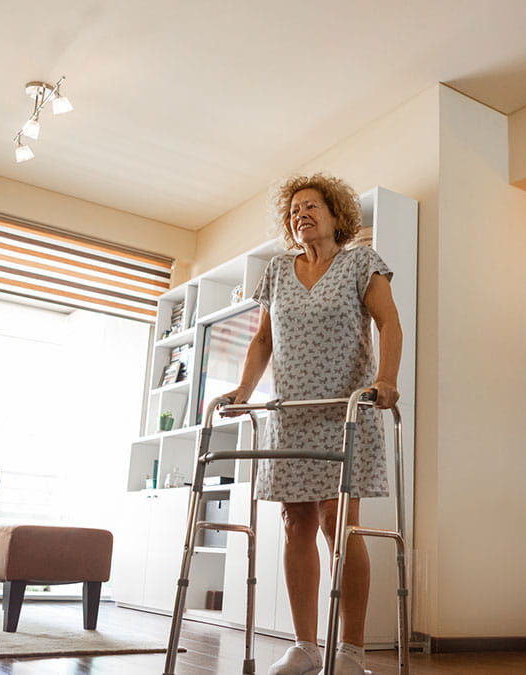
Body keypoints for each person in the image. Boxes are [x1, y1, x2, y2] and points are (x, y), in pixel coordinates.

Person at [221, 173, 402, 675]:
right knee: (294, 522)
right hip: (292, 415)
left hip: (344, 412)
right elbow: (262, 341)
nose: (302, 214)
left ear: (336, 215)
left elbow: (389, 322)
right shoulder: (278, 271)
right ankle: (305, 647)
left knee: (337, 524)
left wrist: (386, 379)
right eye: (294, 209)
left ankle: (352, 651)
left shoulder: (361, 261)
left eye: (312, 206)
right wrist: (242, 391)